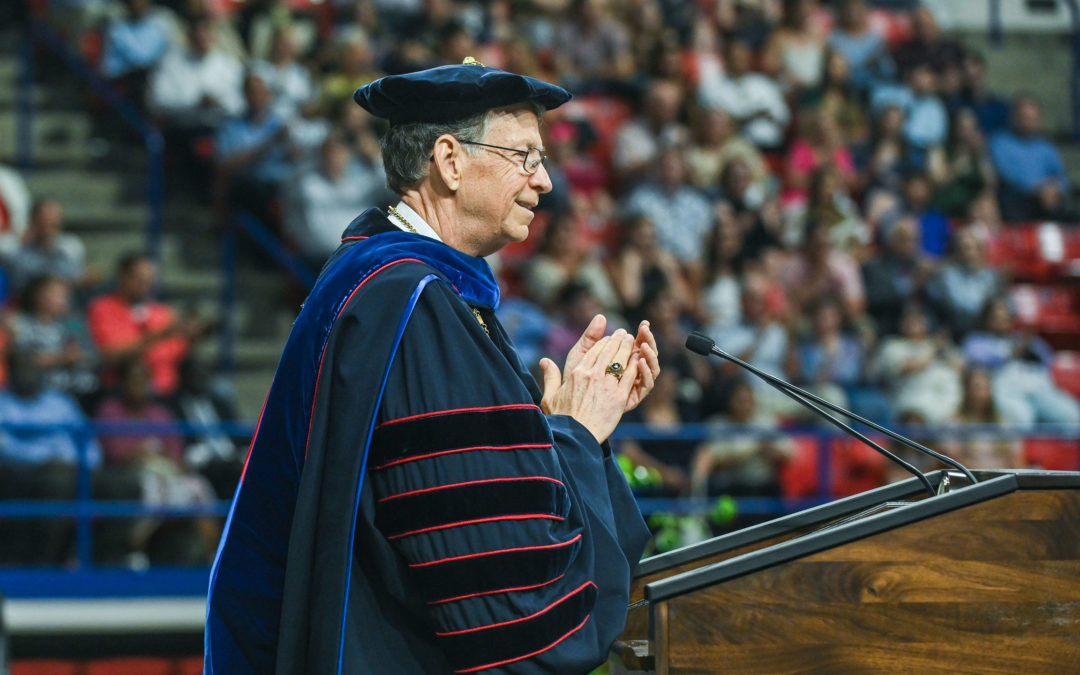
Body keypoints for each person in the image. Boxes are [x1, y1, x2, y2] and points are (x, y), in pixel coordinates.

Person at [206, 61, 658, 673]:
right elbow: (514, 621)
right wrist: (577, 438)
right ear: (449, 160)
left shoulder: (385, 283)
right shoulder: (415, 309)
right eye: (525, 156)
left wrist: (562, 427)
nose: (546, 181)